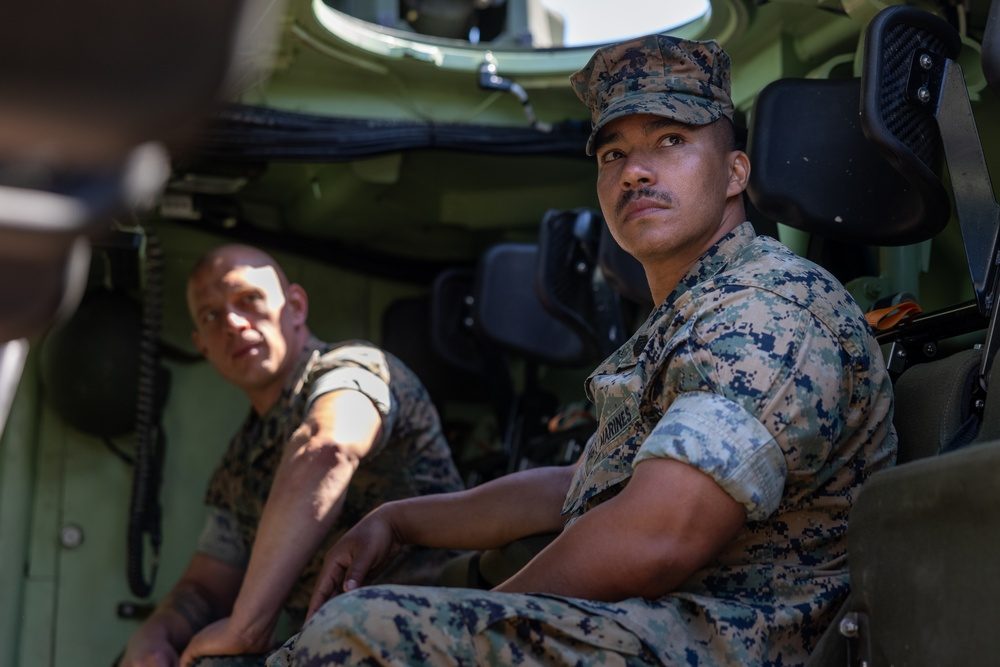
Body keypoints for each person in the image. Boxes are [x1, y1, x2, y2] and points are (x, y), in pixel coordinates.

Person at [264, 33, 897, 666]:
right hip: (661, 626)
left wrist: (476, 624)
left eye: (670, 140)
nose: (635, 171)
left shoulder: (764, 308)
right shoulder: (694, 308)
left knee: (362, 632)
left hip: (730, 642)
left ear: (735, 172)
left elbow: (658, 536)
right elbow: (582, 485)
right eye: (612, 154)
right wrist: (398, 520)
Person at [119, 244, 465, 667]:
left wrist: (245, 626)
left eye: (248, 300)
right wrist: (154, 637)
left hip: (423, 633)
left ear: (295, 306)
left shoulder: (353, 368)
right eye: (211, 316)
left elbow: (328, 446)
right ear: (203, 347)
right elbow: (206, 587)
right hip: (330, 646)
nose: (232, 322)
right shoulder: (241, 459)